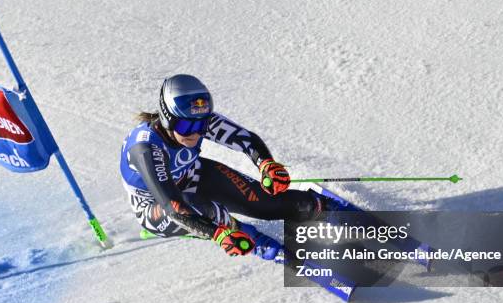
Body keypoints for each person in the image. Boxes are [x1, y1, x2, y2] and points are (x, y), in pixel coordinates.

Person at [120, 74, 340, 260]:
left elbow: (245, 139)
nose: (196, 133)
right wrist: (217, 234)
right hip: (157, 209)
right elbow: (172, 205)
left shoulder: (196, 120)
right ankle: (257, 241)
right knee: (205, 211)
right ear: (168, 119)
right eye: (187, 127)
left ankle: (325, 208)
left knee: (264, 203)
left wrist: (266, 164)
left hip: (193, 175)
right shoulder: (146, 148)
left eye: (201, 125)